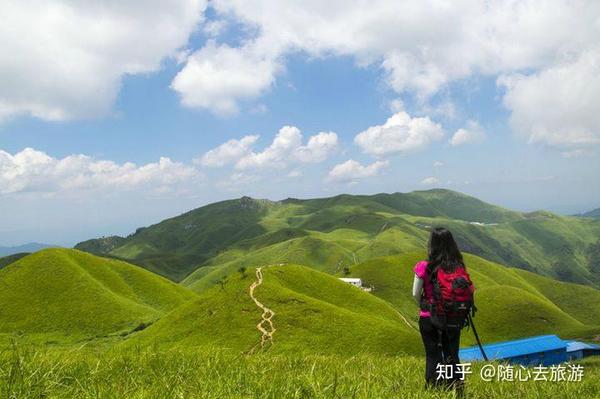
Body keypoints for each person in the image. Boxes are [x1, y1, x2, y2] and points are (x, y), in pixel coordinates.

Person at [412, 227, 473, 391]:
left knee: (433, 355)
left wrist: (425, 304)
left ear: (432, 245)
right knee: (452, 354)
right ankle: (457, 389)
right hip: (453, 317)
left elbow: (415, 293)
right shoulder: (458, 267)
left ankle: (433, 390)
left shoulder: (424, 266)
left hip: (429, 317)